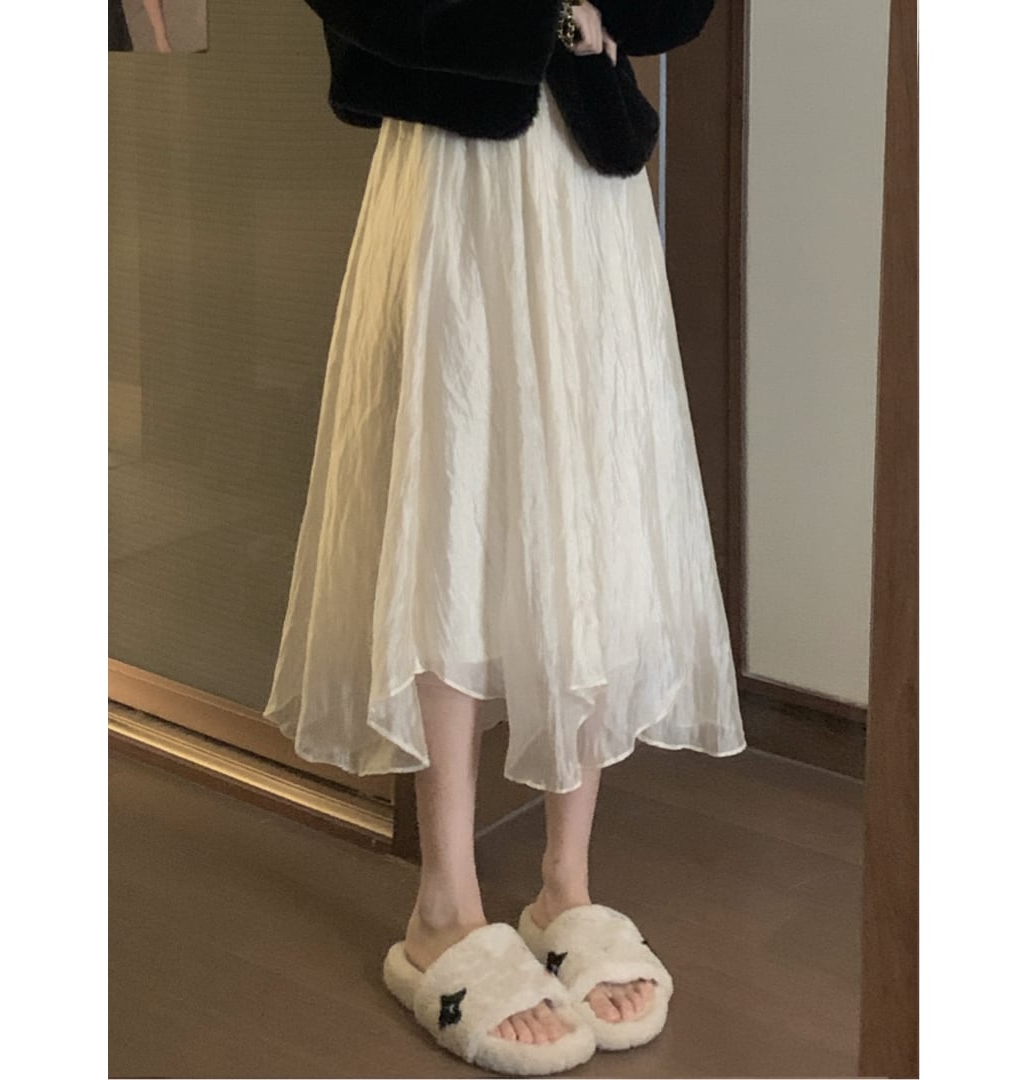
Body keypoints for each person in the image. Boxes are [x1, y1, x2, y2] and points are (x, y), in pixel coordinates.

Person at [263, 1, 745, 1073]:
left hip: (588, 184)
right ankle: (444, 907)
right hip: (453, 173)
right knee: (454, 501)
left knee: (591, 506)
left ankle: (566, 886)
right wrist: (545, 16)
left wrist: (586, 20)